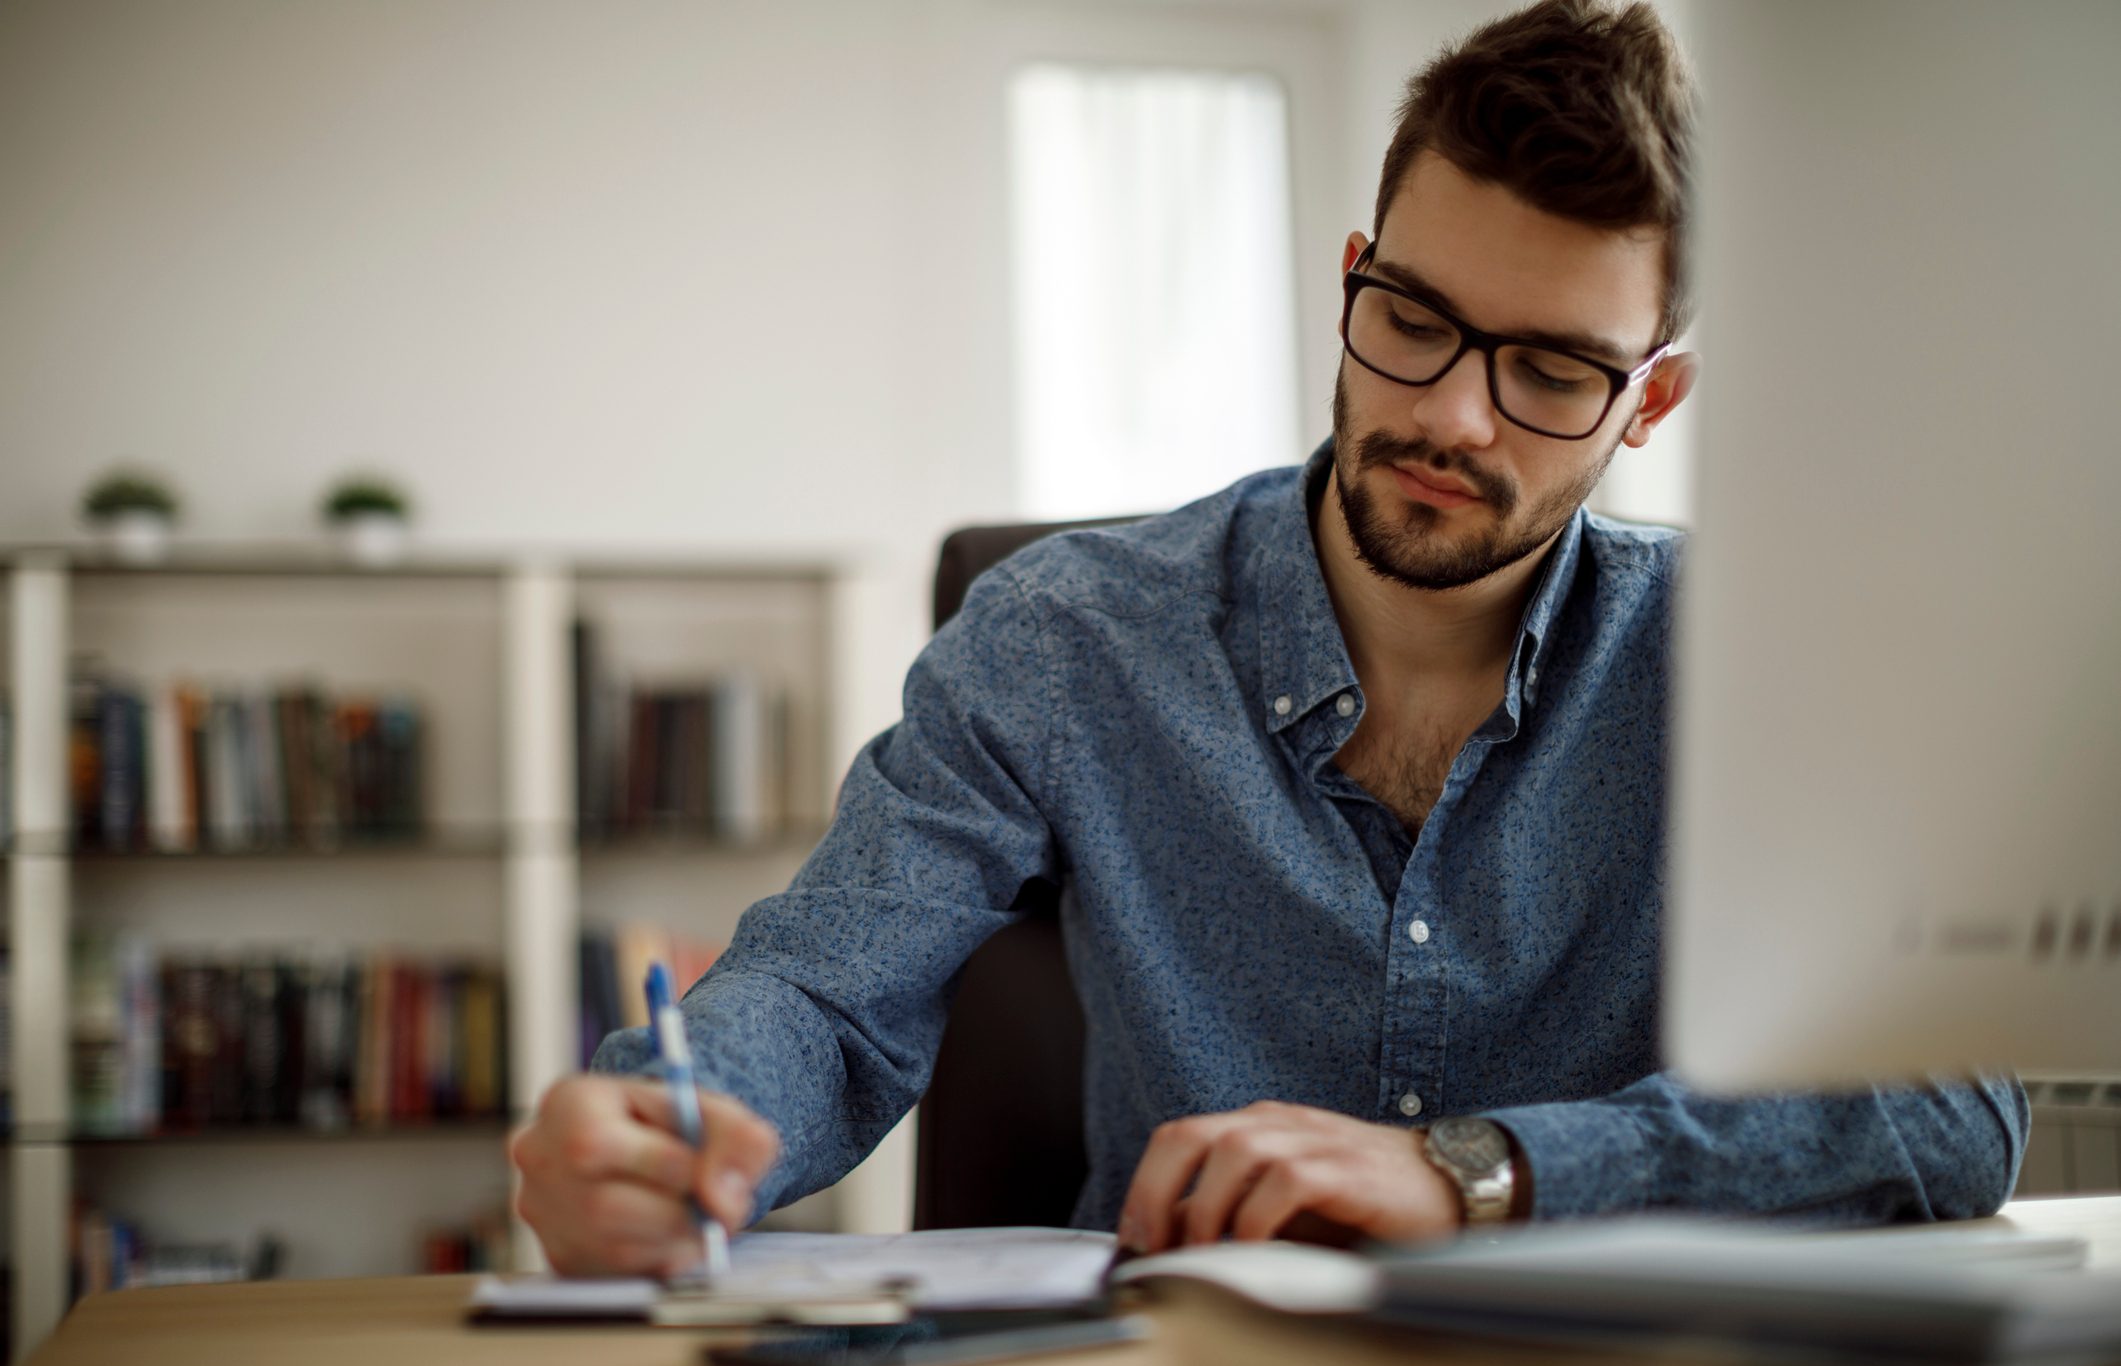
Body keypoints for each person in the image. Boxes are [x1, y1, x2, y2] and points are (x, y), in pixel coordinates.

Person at [510, 0, 2024, 1276]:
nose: (1447, 412)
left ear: (1653, 402)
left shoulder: (1750, 658)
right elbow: (827, 993)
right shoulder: (1060, 636)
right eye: (1413, 316)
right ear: (1352, 269)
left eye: (1552, 370)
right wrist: (658, 1117)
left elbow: (1952, 1102)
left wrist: (1476, 1172)